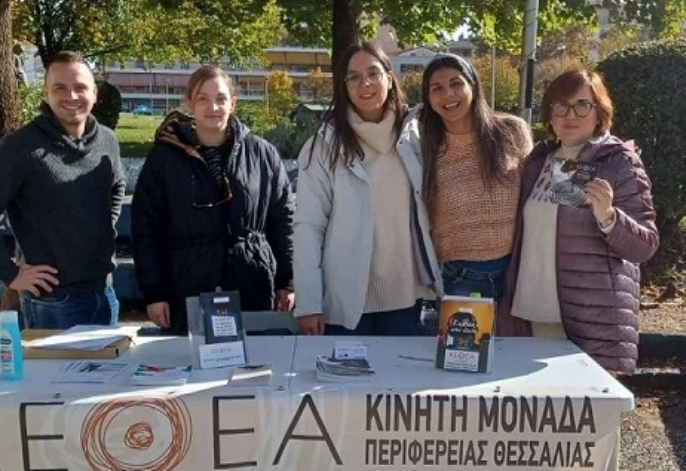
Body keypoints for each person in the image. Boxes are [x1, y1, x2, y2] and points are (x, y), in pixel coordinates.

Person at [499, 69, 658, 375]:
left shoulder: (619, 162)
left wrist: (609, 217)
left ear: (600, 112)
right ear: (549, 113)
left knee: (585, 405)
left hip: (590, 321)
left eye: (582, 105)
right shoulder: (539, 161)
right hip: (533, 315)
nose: (570, 115)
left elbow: (645, 246)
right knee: (541, 403)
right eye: (561, 105)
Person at [0, 50, 125, 329]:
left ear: (95, 93)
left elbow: (117, 185)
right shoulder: (19, 147)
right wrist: (10, 274)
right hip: (53, 302)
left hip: (104, 291)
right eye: (59, 88)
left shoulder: (107, 140)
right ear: (45, 94)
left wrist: (101, 231)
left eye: (80, 87)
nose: (71, 96)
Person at [131, 65, 294, 335]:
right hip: (187, 287)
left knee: (256, 357)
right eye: (203, 99)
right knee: (191, 359)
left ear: (233, 103)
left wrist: (287, 282)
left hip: (252, 284)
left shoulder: (263, 154)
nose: (213, 107)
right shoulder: (164, 158)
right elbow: (147, 227)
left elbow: (283, 220)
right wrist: (154, 292)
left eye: (220, 98)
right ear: (190, 103)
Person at [294, 42, 442, 336]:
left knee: (399, 368)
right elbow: (308, 226)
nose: (365, 84)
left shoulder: (417, 136)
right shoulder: (324, 144)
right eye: (354, 77)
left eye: (374, 73)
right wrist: (308, 303)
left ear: (389, 77)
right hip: (344, 300)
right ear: (344, 86)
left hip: (406, 297)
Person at [420, 53, 532, 301]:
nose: (448, 94)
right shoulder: (424, 147)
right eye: (437, 88)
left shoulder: (511, 131)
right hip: (459, 279)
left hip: (517, 272)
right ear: (428, 99)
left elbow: (532, 194)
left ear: (473, 86)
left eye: (456, 83)